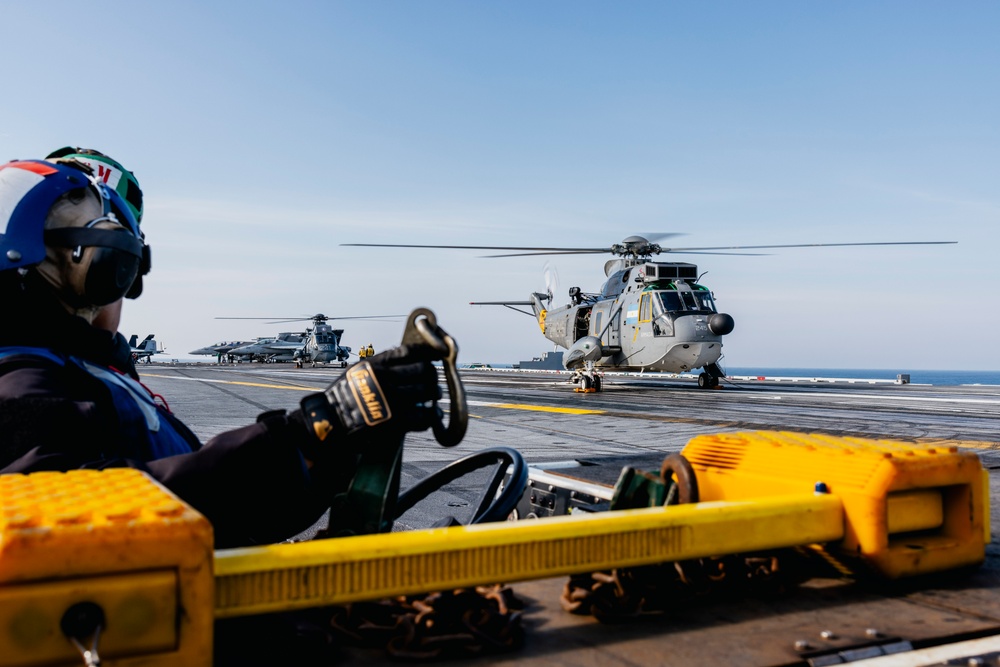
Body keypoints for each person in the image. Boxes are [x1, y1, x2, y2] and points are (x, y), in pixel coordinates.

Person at [0, 156, 444, 548]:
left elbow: (240, 516)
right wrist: (315, 426)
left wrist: (340, 441)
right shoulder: (22, 391)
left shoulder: (75, 375)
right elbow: (108, 520)